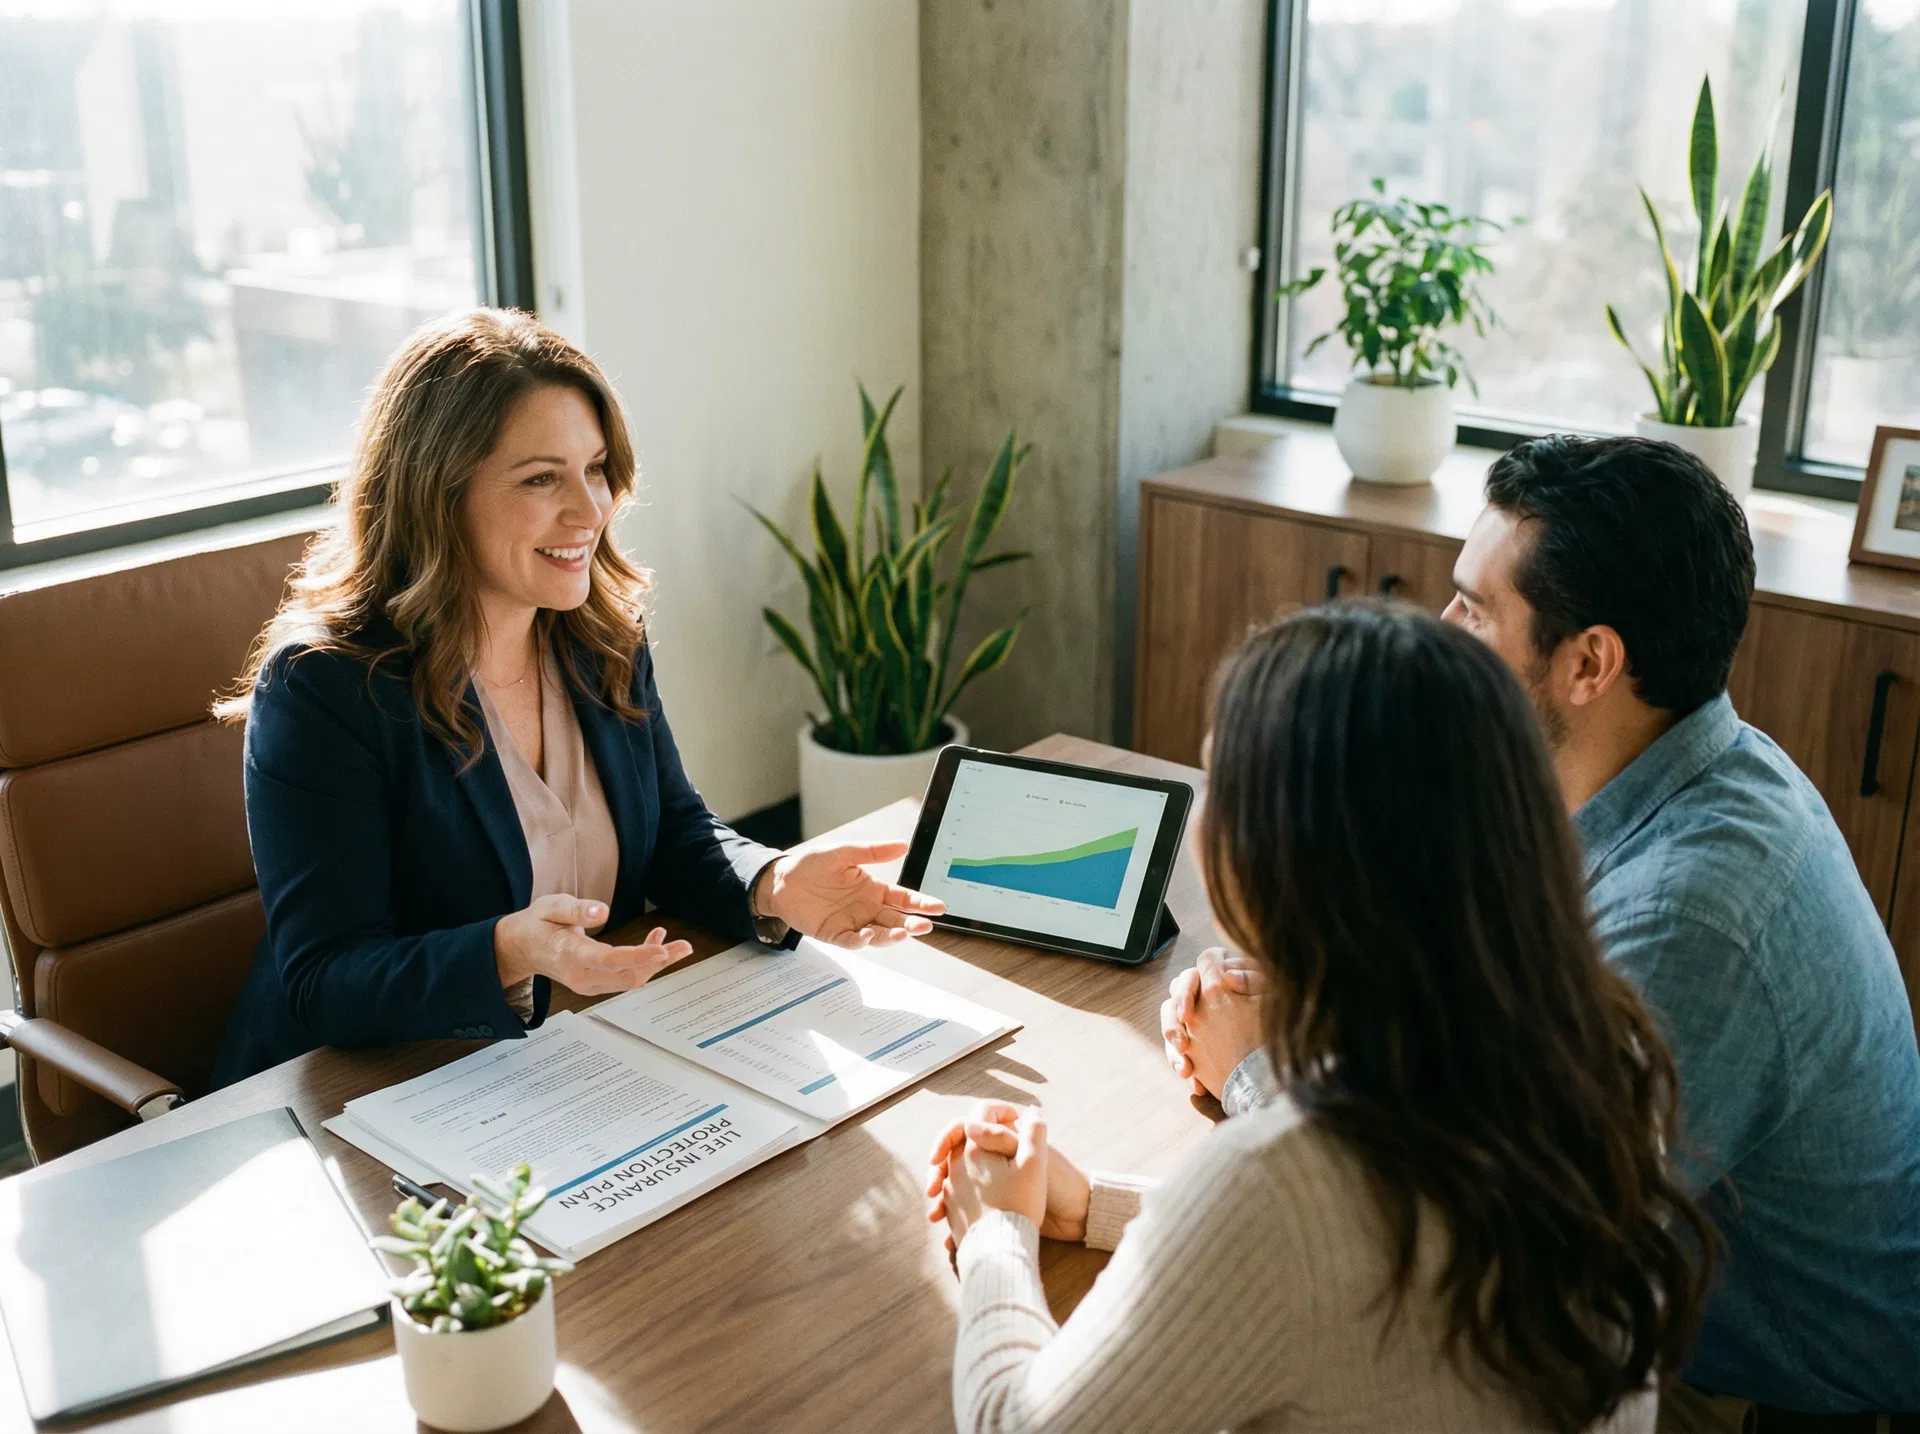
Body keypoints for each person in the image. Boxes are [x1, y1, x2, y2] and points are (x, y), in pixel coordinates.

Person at [1173, 435, 1920, 1428]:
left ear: (1590, 664)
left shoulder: (1692, 915)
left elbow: (1489, 1266)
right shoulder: (1669, 773)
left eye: (1476, 610)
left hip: (1755, 1399)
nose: (1441, 630)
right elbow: (1504, 1025)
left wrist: (1257, 1082)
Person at [927, 604, 1711, 1434]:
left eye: (1215, 784)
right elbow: (1374, 1269)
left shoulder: (1281, 1181)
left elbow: (1018, 1425)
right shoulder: (1603, 1053)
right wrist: (1097, 1210)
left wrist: (995, 1231)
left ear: (1278, 857)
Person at [210, 309, 942, 1087]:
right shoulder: (323, 687)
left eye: (595, 469)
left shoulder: (600, 638)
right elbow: (325, 979)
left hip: (566, 1062)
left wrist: (771, 882)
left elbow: (675, 834)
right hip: (365, 1092)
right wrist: (505, 953)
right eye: (540, 478)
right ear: (435, 495)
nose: (590, 509)